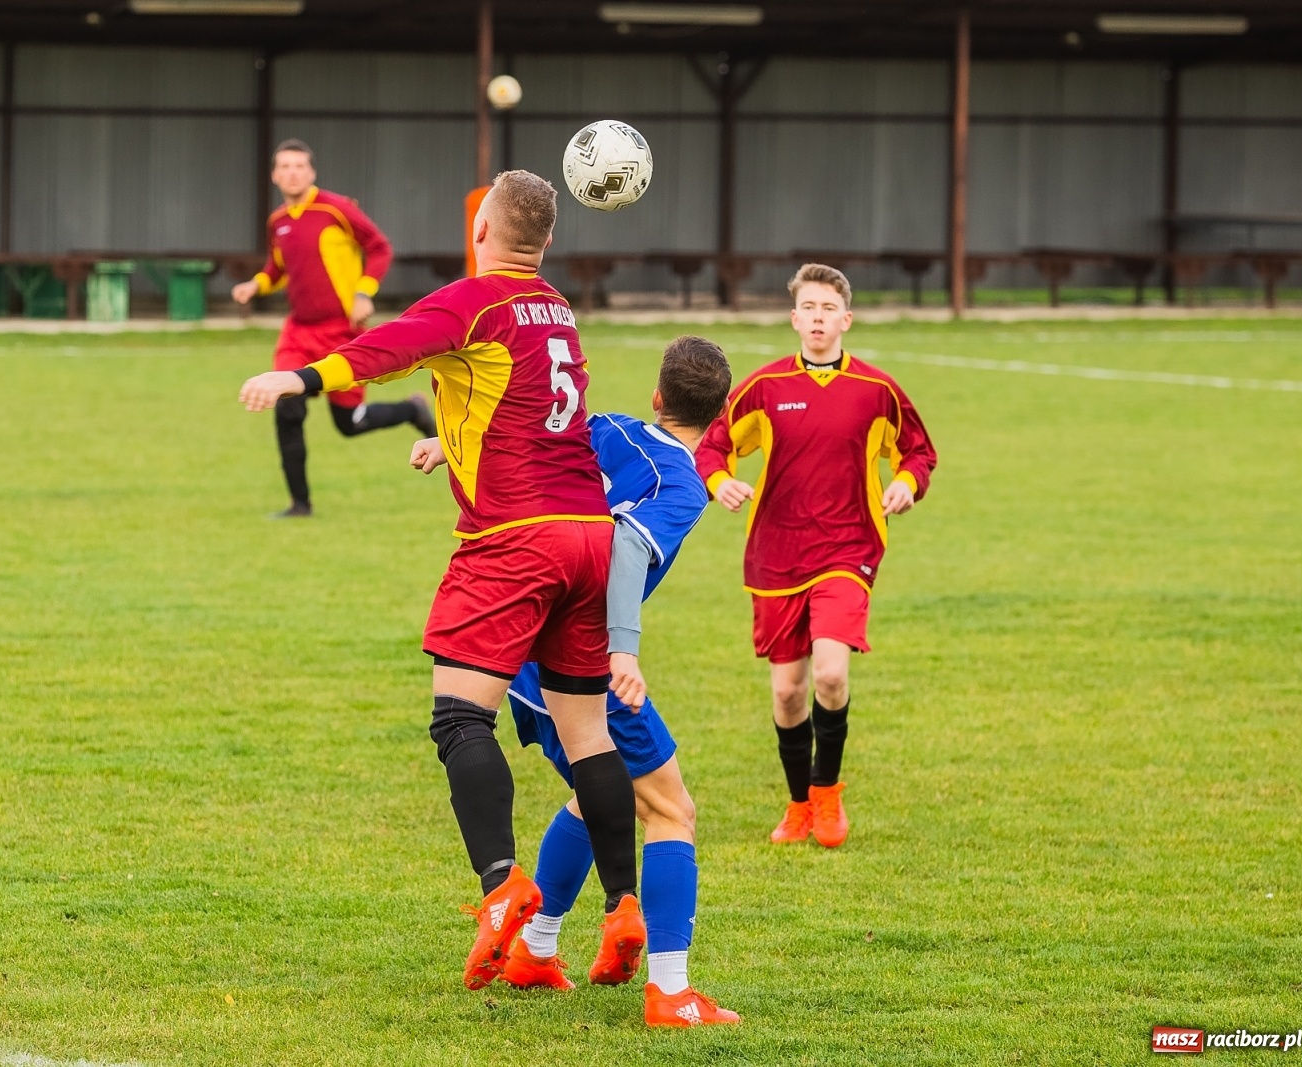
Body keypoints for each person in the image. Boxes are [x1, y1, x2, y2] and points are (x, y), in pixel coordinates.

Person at [239, 170, 642, 995]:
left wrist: (300, 378)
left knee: (460, 718)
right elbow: (529, 407)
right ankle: (624, 906)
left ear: (481, 230)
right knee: (588, 733)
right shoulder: (556, 308)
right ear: (547, 242)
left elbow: (390, 347)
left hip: (513, 538)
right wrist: (448, 445)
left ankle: (502, 885)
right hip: (589, 535)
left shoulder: (476, 300)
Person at [486, 336, 742, 1028]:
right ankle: (671, 991)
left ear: (657, 397)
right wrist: (622, 649)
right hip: (584, 661)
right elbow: (628, 545)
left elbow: (523, 432)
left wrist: (439, 445)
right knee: (671, 811)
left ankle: (535, 951)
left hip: (523, 653)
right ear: (719, 416)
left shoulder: (607, 427)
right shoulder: (682, 485)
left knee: (598, 794)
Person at [694, 263, 937, 848]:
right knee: (787, 691)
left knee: (830, 673)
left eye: (829, 309)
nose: (819, 318)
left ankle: (827, 794)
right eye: (810, 308)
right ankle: (798, 804)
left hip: (849, 548)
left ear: (846, 319)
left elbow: (918, 452)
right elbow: (713, 445)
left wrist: (907, 484)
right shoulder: (764, 387)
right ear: (794, 318)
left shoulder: (877, 391)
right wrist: (719, 481)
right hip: (776, 553)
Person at [232, 139, 433, 518]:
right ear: (275, 175)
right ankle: (300, 504)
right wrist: (255, 285)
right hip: (298, 332)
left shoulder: (336, 208)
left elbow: (379, 247)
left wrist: (363, 292)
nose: (292, 173)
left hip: (341, 332)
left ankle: (412, 410)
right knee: (286, 406)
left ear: (311, 172)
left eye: (299, 166)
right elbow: (277, 268)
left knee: (349, 423)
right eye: (284, 166)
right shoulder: (277, 221)